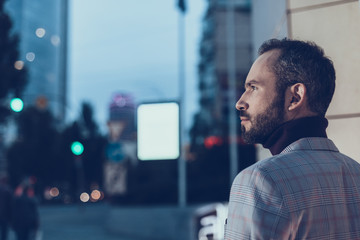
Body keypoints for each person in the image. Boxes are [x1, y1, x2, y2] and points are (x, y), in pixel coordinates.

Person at [224, 38, 360, 239]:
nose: (240, 102)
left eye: (253, 88)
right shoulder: (356, 173)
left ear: (295, 97)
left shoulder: (260, 180)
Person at [0, 175, 12, 240]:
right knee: (4, 234)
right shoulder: (8, 190)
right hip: (5, 215)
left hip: (3, 214)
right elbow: (10, 205)